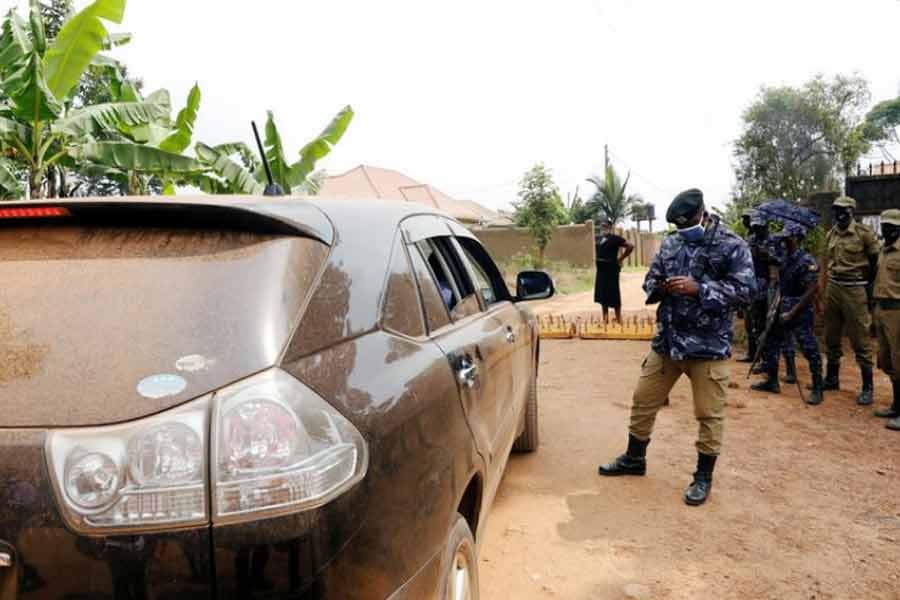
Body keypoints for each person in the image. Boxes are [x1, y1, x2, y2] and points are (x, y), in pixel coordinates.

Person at [597, 189, 755, 506]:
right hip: (668, 342)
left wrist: (700, 289)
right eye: (680, 226)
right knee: (644, 399)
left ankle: (703, 477)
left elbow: (747, 291)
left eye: (689, 223)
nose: (685, 230)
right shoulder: (672, 242)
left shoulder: (732, 244)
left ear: (702, 212)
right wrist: (660, 287)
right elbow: (650, 278)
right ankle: (634, 458)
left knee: (709, 415)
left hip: (708, 347)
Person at [751, 222, 824, 405]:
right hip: (781, 305)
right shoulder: (785, 256)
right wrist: (760, 251)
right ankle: (772, 381)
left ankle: (817, 388)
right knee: (770, 342)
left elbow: (811, 291)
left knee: (809, 348)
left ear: (797, 238)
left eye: (788, 236)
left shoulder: (807, 261)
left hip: (798, 309)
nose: (784, 239)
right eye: (784, 235)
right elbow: (769, 258)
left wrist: (792, 313)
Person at [822, 196, 881, 405]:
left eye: (844, 210)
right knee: (831, 336)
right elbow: (827, 262)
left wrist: (868, 287)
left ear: (852, 212)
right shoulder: (832, 233)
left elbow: (876, 263)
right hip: (833, 287)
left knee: (860, 339)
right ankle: (831, 378)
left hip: (855, 288)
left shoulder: (863, 234)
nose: (840, 214)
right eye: (836, 210)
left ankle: (867, 387)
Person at [872, 209, 900, 430]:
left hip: (897, 311)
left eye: (891, 227)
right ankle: (896, 405)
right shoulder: (883, 250)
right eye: (884, 226)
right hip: (881, 309)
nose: (887, 230)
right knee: (887, 360)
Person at [593, 219, 634, 323]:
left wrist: (620, 259)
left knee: (613, 292)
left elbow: (630, 246)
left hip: (611, 269)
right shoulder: (599, 239)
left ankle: (619, 318)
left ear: (610, 227)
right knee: (602, 293)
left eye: (605, 226)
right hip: (601, 269)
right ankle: (605, 318)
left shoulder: (615, 239)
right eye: (602, 226)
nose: (603, 228)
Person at [737, 209, 759, 362]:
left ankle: (758, 356)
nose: (745, 221)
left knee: (757, 322)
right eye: (744, 218)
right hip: (747, 284)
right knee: (749, 322)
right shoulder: (748, 238)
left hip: (758, 285)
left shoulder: (759, 238)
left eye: (747, 218)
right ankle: (752, 354)